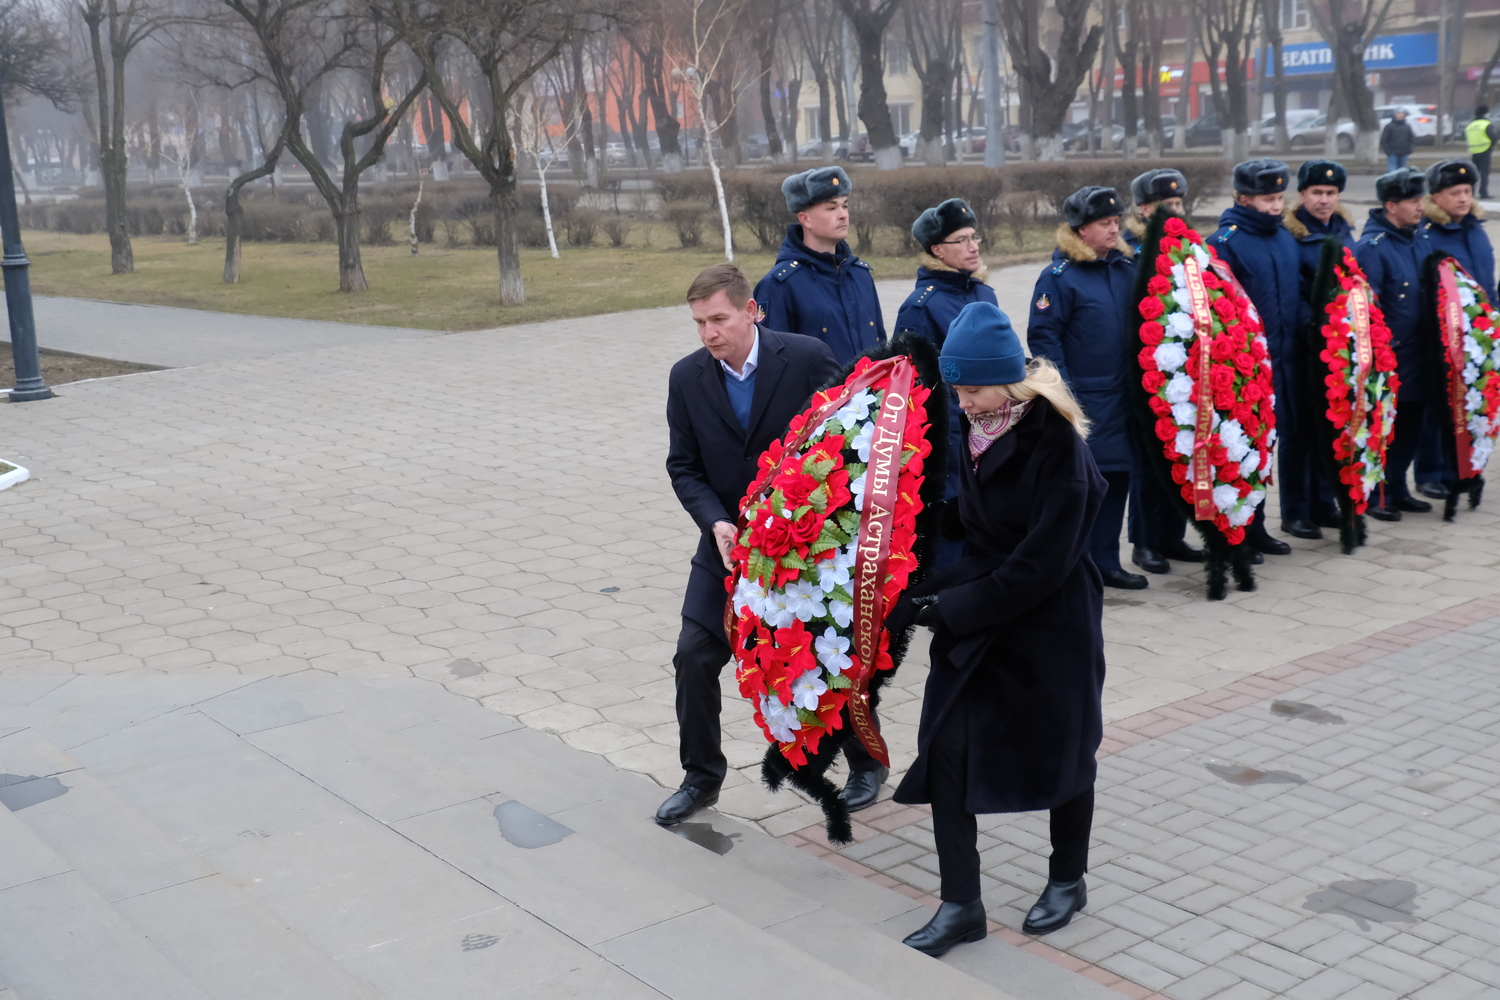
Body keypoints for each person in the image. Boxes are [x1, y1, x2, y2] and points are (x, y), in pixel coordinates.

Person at [888, 302, 1106, 956]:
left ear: (1008, 382)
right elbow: (979, 515)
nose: (962, 401)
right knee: (947, 751)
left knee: (1065, 757)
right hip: (987, 608)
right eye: (955, 388)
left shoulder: (1057, 446)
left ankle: (1068, 878)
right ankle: (961, 905)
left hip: (1050, 625)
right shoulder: (976, 425)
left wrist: (944, 609)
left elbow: (1038, 565)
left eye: (973, 388)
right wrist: (918, 522)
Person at [660, 263, 888, 825]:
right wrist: (714, 520)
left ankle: (866, 764)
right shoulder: (686, 378)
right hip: (726, 550)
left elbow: (847, 439)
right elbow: (683, 466)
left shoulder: (807, 357)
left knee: (827, 655)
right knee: (693, 656)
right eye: (699, 323)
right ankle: (701, 777)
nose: (709, 333)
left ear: (752, 311)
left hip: (801, 550)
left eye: (719, 318)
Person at [1027, 186, 1146, 589]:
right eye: (1104, 224)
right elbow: (1045, 340)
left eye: (1116, 222)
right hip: (1087, 399)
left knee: (1119, 479)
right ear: (1080, 230)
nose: (1115, 230)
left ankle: (1107, 560)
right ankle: (1075, 564)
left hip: (1126, 396)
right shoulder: (1059, 278)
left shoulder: (1127, 268)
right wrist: (1065, 397)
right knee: (1083, 487)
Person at [895, 197, 997, 571]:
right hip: (950, 435)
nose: (973, 246)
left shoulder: (983, 293)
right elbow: (913, 386)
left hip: (992, 426)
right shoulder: (921, 307)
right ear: (938, 250)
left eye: (975, 237)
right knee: (952, 527)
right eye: (962, 240)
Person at [1209, 160, 1303, 551]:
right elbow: (1218, 309)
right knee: (1239, 450)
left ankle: (1258, 527)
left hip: (1283, 362)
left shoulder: (1284, 237)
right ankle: (1235, 530)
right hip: (1243, 369)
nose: (1276, 206)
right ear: (1244, 198)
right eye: (1268, 199)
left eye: (1280, 198)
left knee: (1267, 449)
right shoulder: (1224, 243)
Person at [1123, 168, 1204, 574]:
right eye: (1163, 206)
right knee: (1149, 462)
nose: (1174, 212)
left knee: (1181, 454)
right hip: (1146, 374)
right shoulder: (1131, 253)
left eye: (1178, 204)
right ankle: (1144, 541)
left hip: (1186, 373)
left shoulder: (1190, 250)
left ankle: (1173, 535)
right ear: (1143, 209)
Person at [1355, 168, 1436, 522]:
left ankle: (1399, 488)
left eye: (1421, 199)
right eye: (1413, 201)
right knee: (1384, 430)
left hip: (1420, 354)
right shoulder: (1373, 248)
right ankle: (1375, 495)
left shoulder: (1420, 239)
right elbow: (1364, 311)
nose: (1421, 207)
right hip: (1390, 358)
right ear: (1391, 205)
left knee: (1411, 426)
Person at [1416, 159, 1496, 499]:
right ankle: (1429, 471)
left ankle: (1462, 467)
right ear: (1436, 198)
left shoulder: (1476, 228)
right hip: (1442, 334)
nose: (1463, 198)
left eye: (1467, 191)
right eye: (1455, 193)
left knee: (1474, 399)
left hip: (1479, 331)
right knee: (1438, 405)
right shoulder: (1427, 235)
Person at [753, 166, 885, 364]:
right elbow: (773, 363)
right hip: (817, 395)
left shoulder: (860, 275)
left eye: (845, 206)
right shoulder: (779, 284)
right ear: (805, 219)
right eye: (831, 208)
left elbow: (880, 345)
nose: (843, 215)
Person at [1123, 167, 1187, 250]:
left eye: (1178, 204)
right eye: (1167, 205)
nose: (1175, 209)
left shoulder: (1188, 239)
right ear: (1145, 210)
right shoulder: (1131, 246)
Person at [1464, 106, 1495, 200]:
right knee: (1484, 173)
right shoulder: (1486, 124)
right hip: (1485, 150)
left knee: (1474, 173)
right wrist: (1491, 146)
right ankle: (1483, 193)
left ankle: (1471, 193)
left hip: (1474, 151)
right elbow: (1494, 136)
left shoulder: (1470, 125)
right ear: (1485, 113)